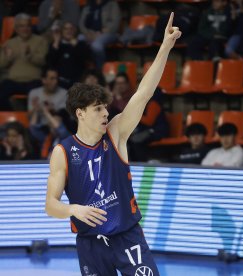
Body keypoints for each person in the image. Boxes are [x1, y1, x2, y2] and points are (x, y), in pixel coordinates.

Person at [45, 13, 181, 275]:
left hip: (128, 237)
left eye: (105, 108)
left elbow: (144, 93)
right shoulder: (62, 152)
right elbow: (50, 204)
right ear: (80, 113)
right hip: (91, 244)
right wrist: (73, 209)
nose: (106, 113)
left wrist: (165, 47)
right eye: (98, 109)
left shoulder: (116, 132)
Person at [0, 13, 48, 109]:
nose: (25, 29)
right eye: (22, 26)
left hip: (33, 81)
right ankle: (11, 118)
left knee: (38, 97)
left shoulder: (41, 41)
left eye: (28, 26)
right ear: (16, 28)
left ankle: (32, 120)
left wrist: (29, 55)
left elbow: (42, 62)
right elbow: (1, 65)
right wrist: (8, 58)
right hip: (13, 81)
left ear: (31, 27)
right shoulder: (9, 43)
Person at [47, 21, 92, 88]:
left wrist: (76, 45)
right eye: (66, 29)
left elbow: (85, 59)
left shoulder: (81, 44)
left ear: (75, 31)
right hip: (59, 82)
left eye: (71, 29)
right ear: (62, 31)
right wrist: (56, 42)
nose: (69, 31)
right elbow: (51, 62)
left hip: (77, 82)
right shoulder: (56, 44)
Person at [128, 88, 169, 162]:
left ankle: (141, 163)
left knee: (136, 140)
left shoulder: (154, 103)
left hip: (158, 131)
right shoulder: (146, 102)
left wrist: (136, 114)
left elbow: (149, 121)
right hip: (149, 129)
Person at [79, 0, 121, 69]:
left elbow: (115, 23)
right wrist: (87, 33)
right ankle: (83, 68)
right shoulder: (88, 5)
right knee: (79, 39)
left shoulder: (112, 4)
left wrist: (101, 33)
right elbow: (81, 23)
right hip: (89, 33)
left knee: (96, 45)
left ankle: (100, 68)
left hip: (107, 33)